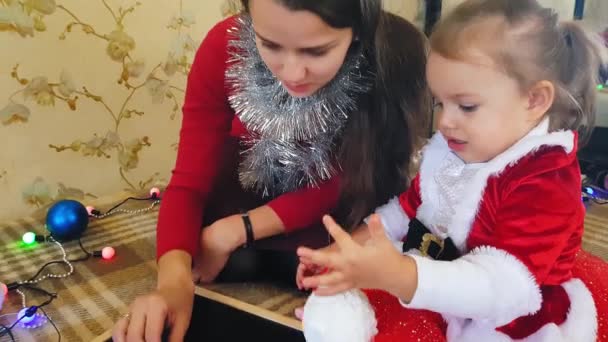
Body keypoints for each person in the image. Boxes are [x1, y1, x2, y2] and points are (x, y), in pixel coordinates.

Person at [112, 0, 431, 341]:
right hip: (237, 218)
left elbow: (341, 179)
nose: (292, 73)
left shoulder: (380, 62)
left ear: (357, 35)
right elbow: (188, 182)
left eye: (317, 51)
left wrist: (236, 230)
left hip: (323, 227)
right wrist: (173, 283)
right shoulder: (226, 47)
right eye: (270, 44)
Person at [297, 0, 608, 340]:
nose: (444, 122)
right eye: (440, 103)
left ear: (534, 100)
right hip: (436, 275)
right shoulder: (457, 146)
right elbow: (411, 207)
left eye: (467, 106)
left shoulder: (545, 179)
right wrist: (347, 251)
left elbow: (504, 288)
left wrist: (401, 275)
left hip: (506, 314)